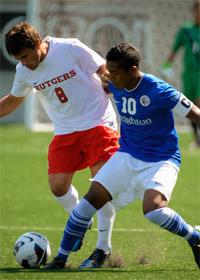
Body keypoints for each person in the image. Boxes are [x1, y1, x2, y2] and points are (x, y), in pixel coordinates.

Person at [45, 42, 200, 270]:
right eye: (109, 72)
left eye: (115, 73)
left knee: (154, 210)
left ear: (133, 71)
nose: (109, 77)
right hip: (126, 155)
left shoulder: (159, 91)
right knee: (87, 205)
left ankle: (194, 237)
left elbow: (196, 114)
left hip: (162, 159)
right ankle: (60, 259)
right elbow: (93, 88)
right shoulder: (114, 83)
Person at [0, 22, 120, 268]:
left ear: (37, 45)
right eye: (17, 60)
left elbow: (102, 67)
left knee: (100, 188)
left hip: (98, 121)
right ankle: (81, 220)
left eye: (25, 57)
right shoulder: (24, 70)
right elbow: (13, 100)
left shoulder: (70, 48)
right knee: (57, 187)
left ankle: (102, 249)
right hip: (66, 130)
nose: (23, 63)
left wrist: (107, 78)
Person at [163, 0, 200, 148]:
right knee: (189, 104)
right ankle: (196, 138)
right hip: (189, 74)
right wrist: (166, 66)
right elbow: (175, 49)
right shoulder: (186, 30)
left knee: (199, 101)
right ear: (193, 12)